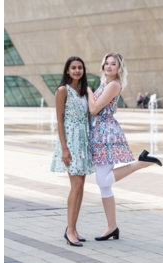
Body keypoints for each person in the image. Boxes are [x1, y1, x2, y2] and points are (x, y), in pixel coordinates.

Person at [87, 53, 162, 241]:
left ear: (119, 67)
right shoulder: (106, 83)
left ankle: (141, 163)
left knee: (102, 180)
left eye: (113, 64)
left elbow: (94, 109)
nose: (109, 66)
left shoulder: (113, 84)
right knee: (105, 186)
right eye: (107, 63)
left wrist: (88, 92)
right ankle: (112, 227)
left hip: (107, 133)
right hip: (102, 131)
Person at [51, 57, 94, 247]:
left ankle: (74, 228)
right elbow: (59, 120)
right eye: (73, 68)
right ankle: (69, 230)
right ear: (67, 71)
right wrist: (64, 148)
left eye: (80, 67)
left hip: (83, 142)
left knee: (81, 186)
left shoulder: (83, 92)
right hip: (70, 141)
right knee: (75, 186)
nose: (77, 70)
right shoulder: (63, 90)